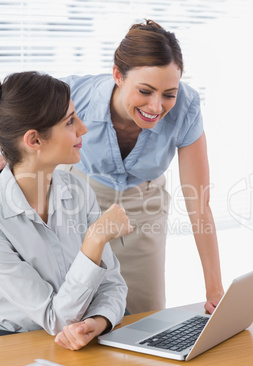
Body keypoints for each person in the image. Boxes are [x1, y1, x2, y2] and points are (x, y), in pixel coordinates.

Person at [59, 19, 225, 315]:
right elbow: (18, 136)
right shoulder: (74, 95)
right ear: (118, 76)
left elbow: (199, 203)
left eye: (168, 94)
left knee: (143, 316)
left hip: (143, 207)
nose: (156, 107)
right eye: (145, 91)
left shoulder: (186, 107)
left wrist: (215, 290)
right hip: (78, 200)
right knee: (74, 310)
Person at [0, 71, 133, 350]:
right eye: (70, 121)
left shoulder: (78, 190)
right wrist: (95, 240)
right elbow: (54, 318)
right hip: (20, 347)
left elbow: (113, 285)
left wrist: (98, 321)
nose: (83, 129)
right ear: (34, 140)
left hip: (84, 337)